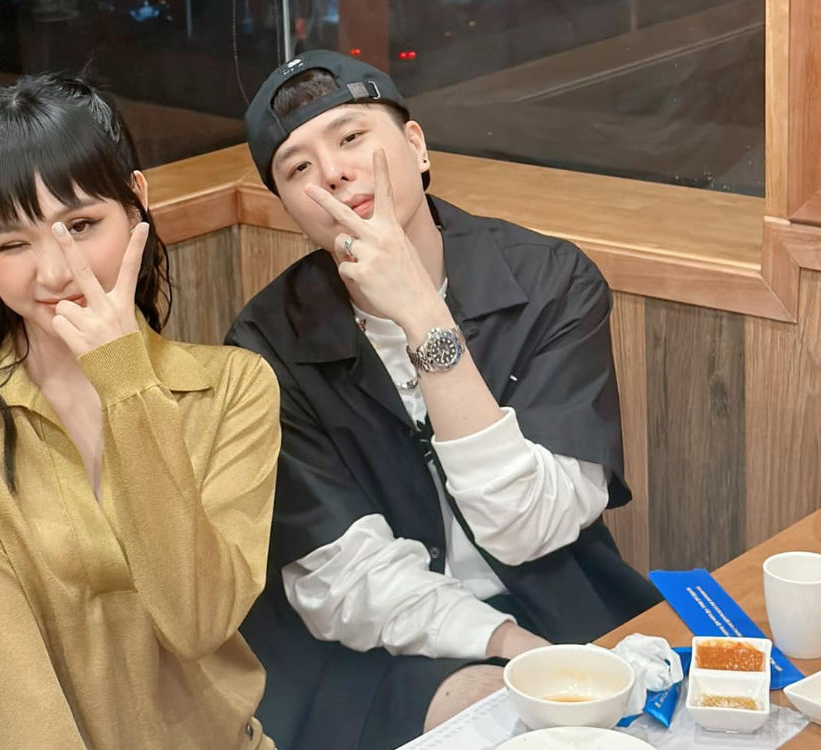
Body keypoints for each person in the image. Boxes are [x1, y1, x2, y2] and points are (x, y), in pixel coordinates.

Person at [226, 50, 662, 750]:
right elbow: (344, 583)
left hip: (561, 599)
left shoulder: (552, 282)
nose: (331, 172)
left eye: (350, 137)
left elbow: (531, 526)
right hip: (378, 651)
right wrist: (507, 644)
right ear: (291, 210)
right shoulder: (266, 343)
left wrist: (424, 319)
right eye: (297, 168)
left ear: (417, 146)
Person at [0, 73, 281, 750]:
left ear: (137, 202)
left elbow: (197, 621)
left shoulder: (234, 389)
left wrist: (125, 383)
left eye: (81, 225)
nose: (56, 272)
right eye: (12, 244)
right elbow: (5, 692)